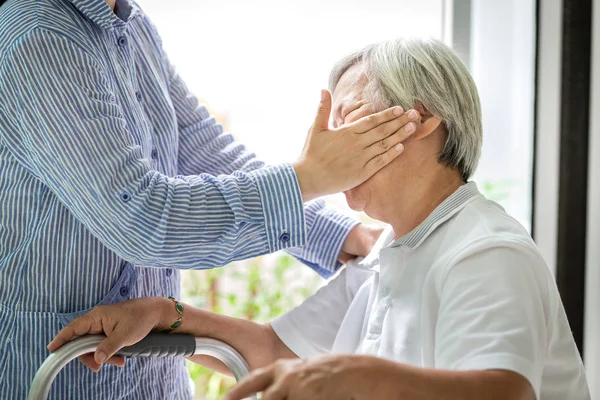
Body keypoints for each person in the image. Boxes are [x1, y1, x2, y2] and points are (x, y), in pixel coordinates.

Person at [51, 37, 592, 400]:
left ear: (421, 119)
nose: (328, 149)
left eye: (348, 120)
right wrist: (161, 312)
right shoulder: (391, 255)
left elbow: (505, 391)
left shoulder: (485, 251)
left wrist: (350, 374)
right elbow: (271, 351)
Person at [0, 0, 421, 398]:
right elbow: (142, 217)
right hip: (66, 379)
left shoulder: (131, 24)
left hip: (155, 378)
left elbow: (204, 150)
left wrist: (339, 232)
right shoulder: (38, 36)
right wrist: (306, 179)